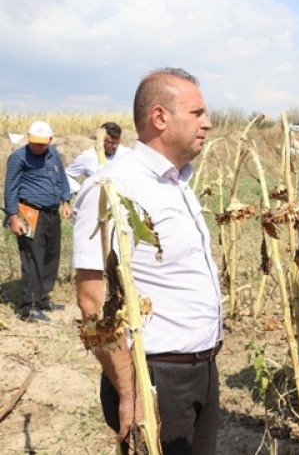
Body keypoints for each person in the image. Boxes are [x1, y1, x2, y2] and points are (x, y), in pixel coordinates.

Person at [73, 68, 222, 454]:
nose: (208, 122)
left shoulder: (179, 184)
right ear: (160, 117)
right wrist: (131, 389)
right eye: (197, 113)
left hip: (203, 369)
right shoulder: (112, 188)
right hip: (154, 376)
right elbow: (93, 301)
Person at [4, 120, 72, 323]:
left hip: (51, 213)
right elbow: (10, 188)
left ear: (50, 140)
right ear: (28, 138)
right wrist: (14, 217)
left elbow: (61, 179)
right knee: (33, 258)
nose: (38, 147)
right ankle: (29, 307)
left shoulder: (53, 154)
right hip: (29, 212)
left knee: (51, 256)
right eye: (34, 143)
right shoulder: (18, 158)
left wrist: (66, 201)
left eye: (42, 143)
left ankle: (42, 299)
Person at [65, 121, 132, 194]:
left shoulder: (126, 154)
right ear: (101, 140)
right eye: (110, 142)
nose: (114, 146)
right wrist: (79, 190)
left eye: (117, 142)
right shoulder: (88, 156)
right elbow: (66, 175)